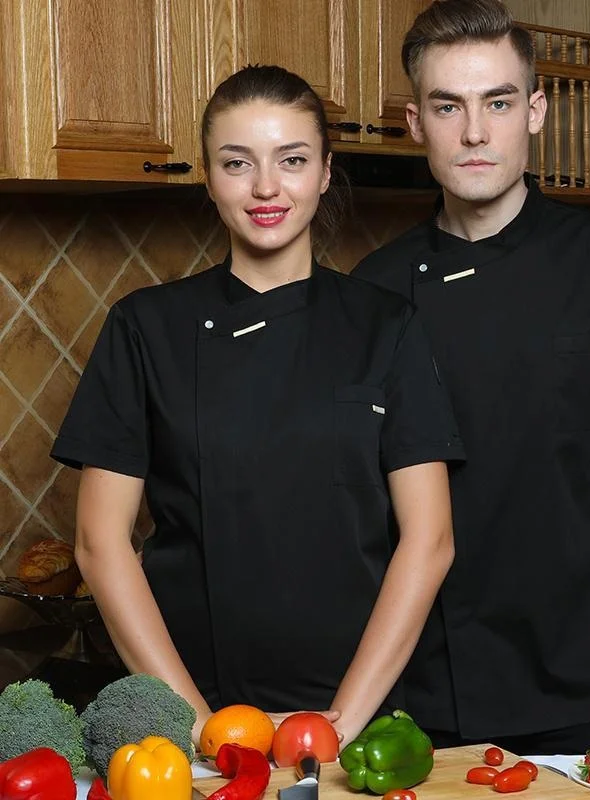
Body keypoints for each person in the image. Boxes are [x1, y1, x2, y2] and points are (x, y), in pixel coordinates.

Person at [353, 0, 590, 755]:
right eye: (447, 106)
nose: (473, 132)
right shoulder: (373, 291)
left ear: (534, 110)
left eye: (496, 103)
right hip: (419, 697)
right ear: (413, 122)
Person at [51, 64, 464, 748]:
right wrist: (200, 726)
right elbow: (100, 544)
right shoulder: (145, 328)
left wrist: (337, 723)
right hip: (193, 711)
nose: (266, 187)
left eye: (292, 160)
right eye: (237, 163)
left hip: (358, 718)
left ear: (326, 172)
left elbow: (430, 541)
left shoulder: (387, 326)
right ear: (209, 178)